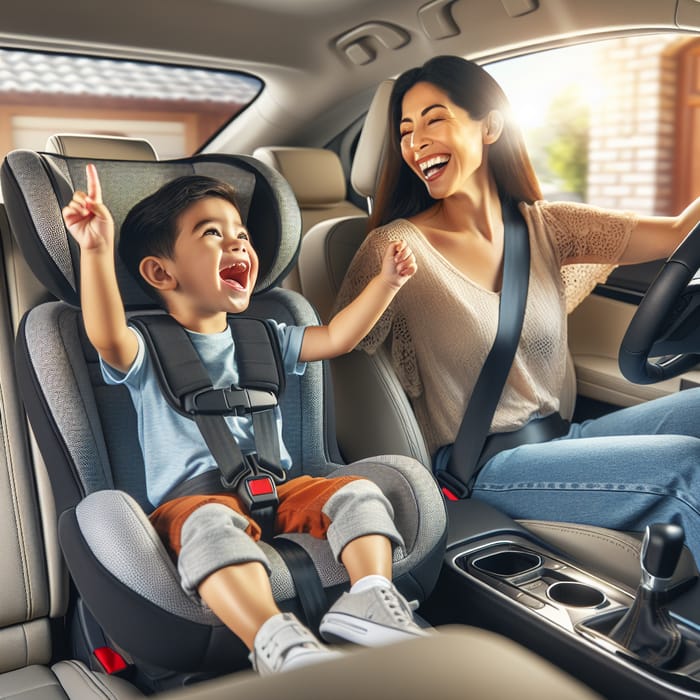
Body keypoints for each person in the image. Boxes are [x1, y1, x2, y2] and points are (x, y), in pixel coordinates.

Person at [62, 164, 425, 676]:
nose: (238, 246)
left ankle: (370, 595)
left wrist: (387, 283)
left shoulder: (267, 336)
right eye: (213, 234)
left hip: (282, 489)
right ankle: (273, 638)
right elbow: (105, 334)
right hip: (193, 501)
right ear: (161, 273)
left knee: (359, 492)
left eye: (243, 235)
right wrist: (96, 250)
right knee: (211, 526)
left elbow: (339, 337)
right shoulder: (146, 348)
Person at [335, 54, 700, 564]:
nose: (415, 142)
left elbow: (680, 232)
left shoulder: (549, 227)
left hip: (564, 439)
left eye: (434, 119)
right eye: (404, 130)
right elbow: (340, 368)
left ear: (490, 127)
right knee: (689, 468)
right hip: (485, 468)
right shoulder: (394, 249)